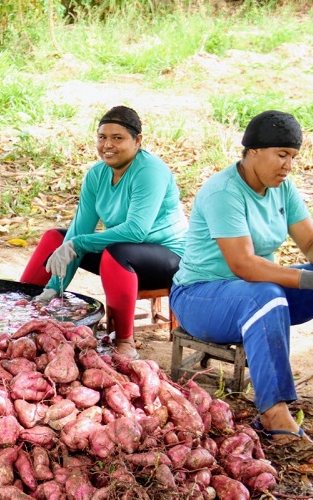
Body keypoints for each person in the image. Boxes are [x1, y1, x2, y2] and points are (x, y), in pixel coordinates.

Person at [170, 110, 313, 443]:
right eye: (282, 155)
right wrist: (312, 280)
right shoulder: (224, 192)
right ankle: (273, 410)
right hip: (200, 297)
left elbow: (312, 241)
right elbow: (243, 264)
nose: (288, 165)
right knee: (268, 295)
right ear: (253, 152)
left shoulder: (282, 188)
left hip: (253, 290)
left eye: (293, 157)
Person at [20, 106, 188, 359]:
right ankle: (21, 309)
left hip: (168, 258)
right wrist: (53, 288)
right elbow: (80, 228)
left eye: (117, 138)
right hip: (125, 255)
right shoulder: (97, 174)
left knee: (114, 252)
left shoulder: (150, 172)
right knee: (55, 238)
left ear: (137, 140)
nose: (107, 145)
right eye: (102, 137)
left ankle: (124, 341)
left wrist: (77, 244)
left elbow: (136, 231)